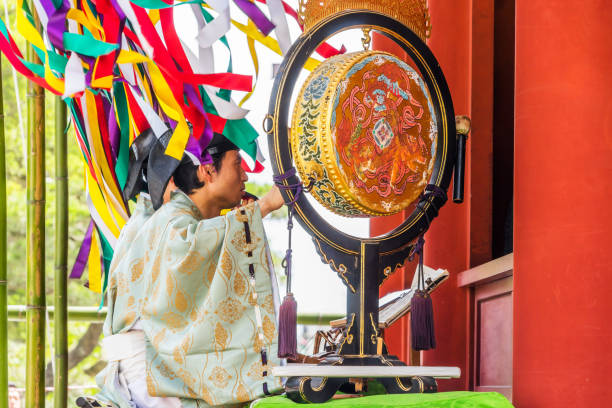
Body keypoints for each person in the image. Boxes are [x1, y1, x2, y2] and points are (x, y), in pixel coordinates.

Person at [96, 132, 285, 407]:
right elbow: (194, 246)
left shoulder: (170, 219)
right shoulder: (172, 222)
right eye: (237, 165)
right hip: (150, 371)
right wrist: (264, 207)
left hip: (154, 365)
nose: (245, 176)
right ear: (207, 170)